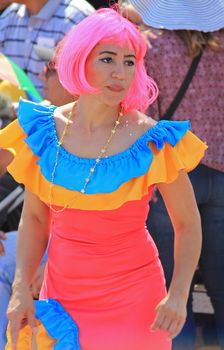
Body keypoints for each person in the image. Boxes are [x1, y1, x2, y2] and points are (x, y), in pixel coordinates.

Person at [0, 8, 207, 349]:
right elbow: (36, 218)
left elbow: (188, 223)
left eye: (129, 62)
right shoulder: (42, 129)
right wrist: (21, 288)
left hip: (135, 304)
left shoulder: (152, 140)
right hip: (61, 298)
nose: (120, 72)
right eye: (108, 59)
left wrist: (179, 294)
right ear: (81, 60)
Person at [123, 1, 224, 349]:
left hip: (172, 176)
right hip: (222, 175)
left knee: (172, 291)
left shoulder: (151, 46)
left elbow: (143, 114)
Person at [0, 52, 74, 349]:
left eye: (51, 69)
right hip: (37, 237)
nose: (43, 76)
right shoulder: (40, 120)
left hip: (74, 246)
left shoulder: (105, 128)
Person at [0, 0, 94, 97]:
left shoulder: (78, 17)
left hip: (57, 111)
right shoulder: (10, 14)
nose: (42, 77)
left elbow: (87, 90)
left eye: (51, 68)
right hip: (18, 111)